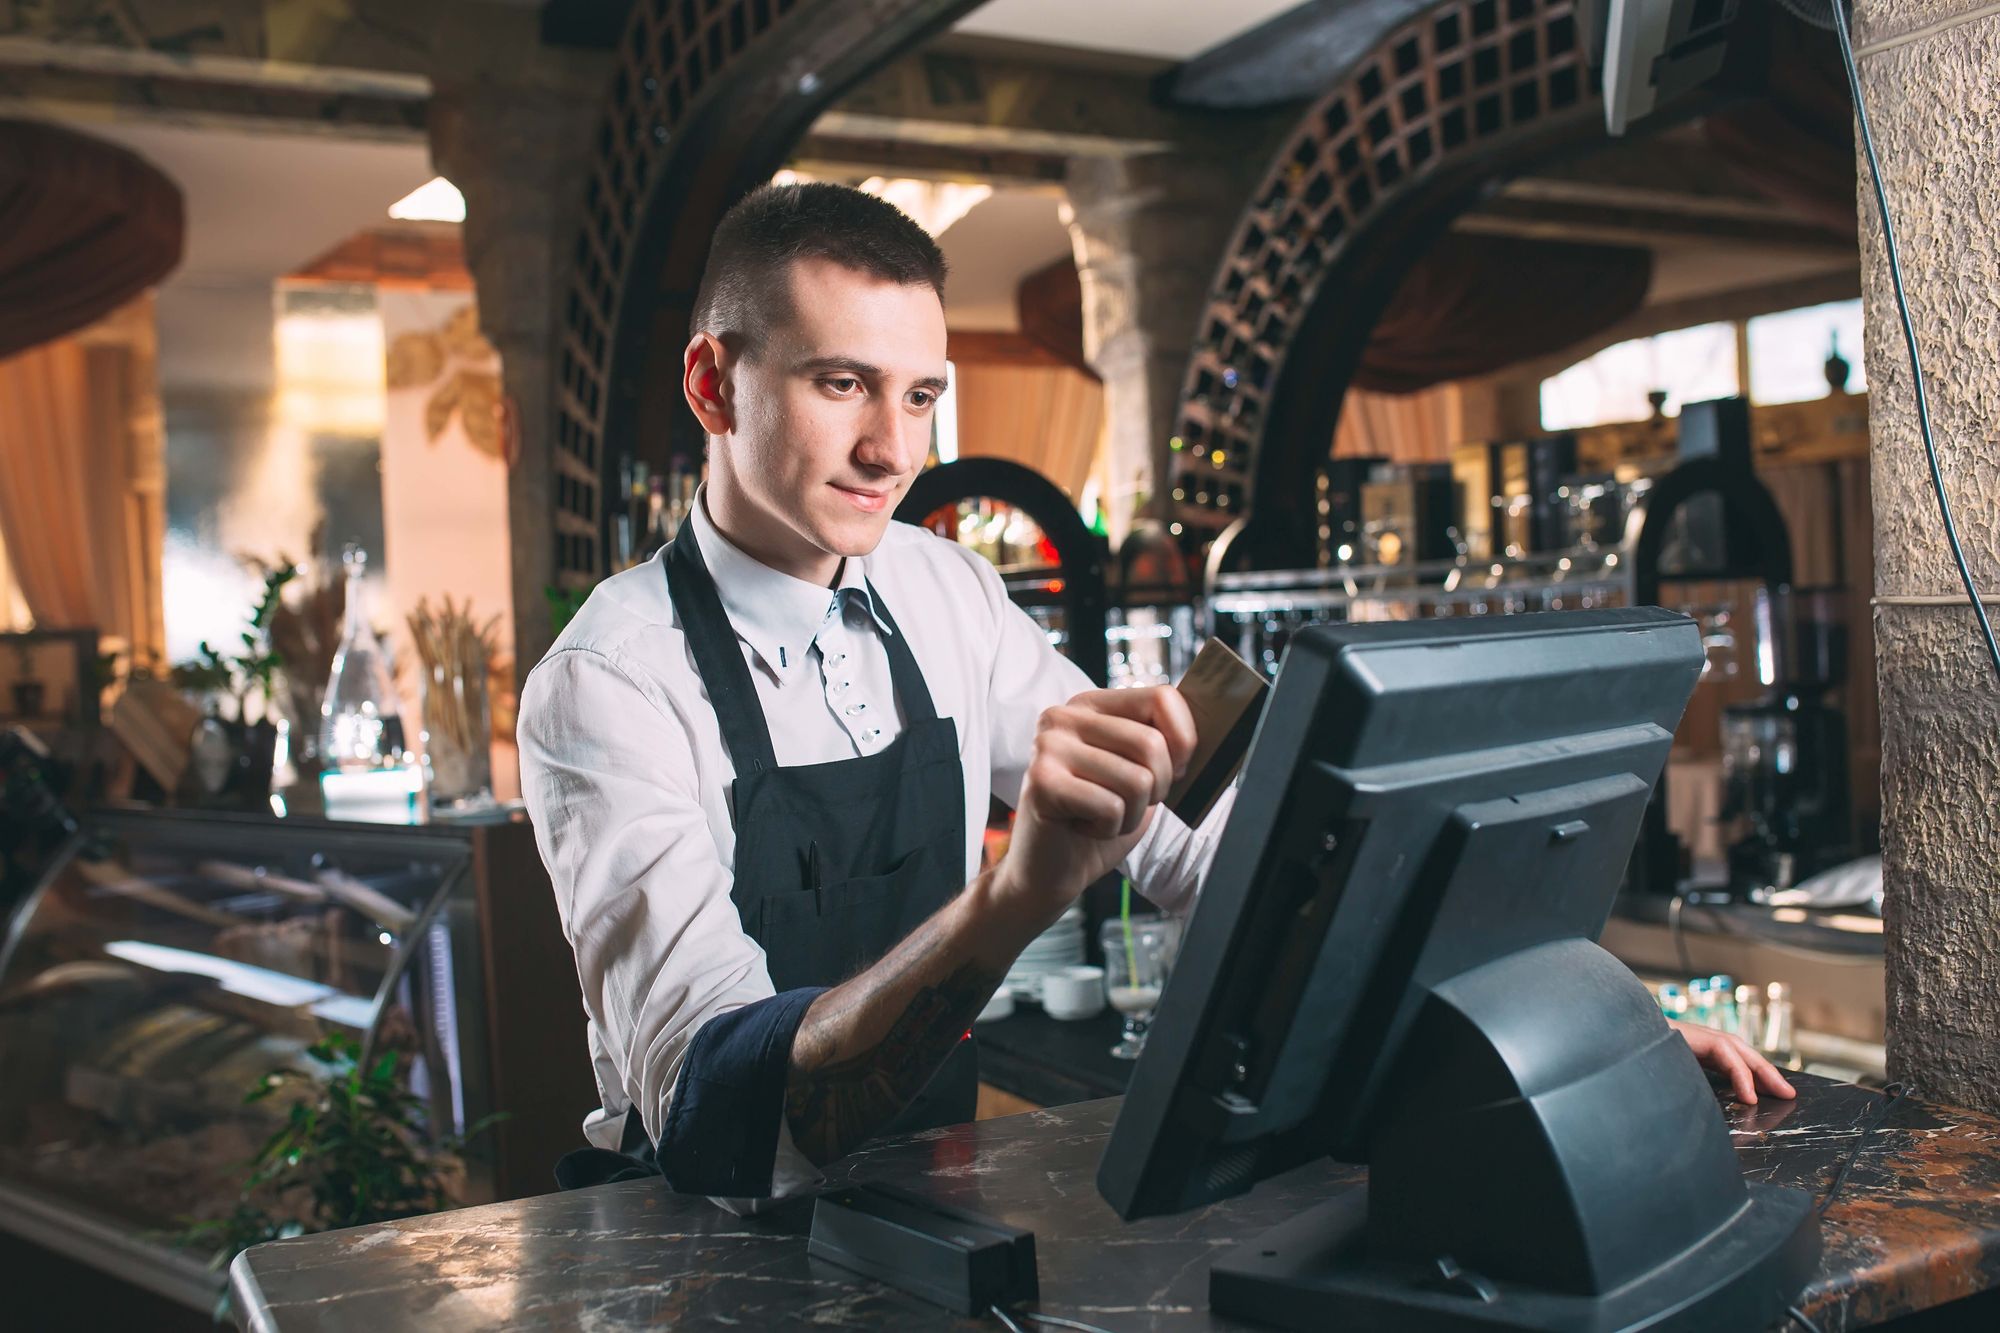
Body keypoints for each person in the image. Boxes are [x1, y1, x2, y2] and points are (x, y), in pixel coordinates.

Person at [517, 181, 1791, 1204]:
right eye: (839, 383)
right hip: (703, 1261)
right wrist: (1017, 897)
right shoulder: (610, 682)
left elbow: (1213, 847)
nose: (890, 450)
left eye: (917, 397)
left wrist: (1560, 1037)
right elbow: (719, 1117)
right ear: (711, 385)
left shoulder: (943, 592)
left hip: (926, 1216)